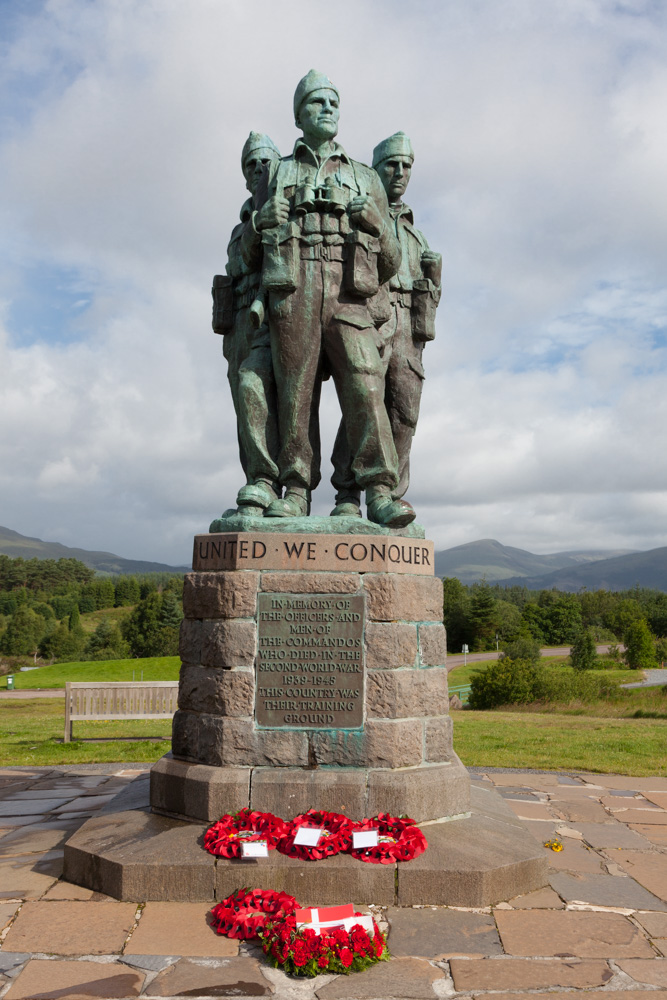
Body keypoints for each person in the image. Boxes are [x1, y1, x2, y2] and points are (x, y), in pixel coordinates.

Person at [251, 70, 414, 528]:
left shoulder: (365, 177)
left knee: (366, 384)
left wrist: (379, 226)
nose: (327, 109)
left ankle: (379, 489)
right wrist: (264, 220)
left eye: (333, 102)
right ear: (299, 114)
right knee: (295, 393)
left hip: (348, 294)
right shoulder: (278, 171)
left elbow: (393, 260)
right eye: (316, 102)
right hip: (295, 286)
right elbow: (250, 248)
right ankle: (296, 489)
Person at [330, 132, 442, 516]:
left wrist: (435, 280)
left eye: (406, 165)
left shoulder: (415, 234)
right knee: (364, 403)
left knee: (405, 413)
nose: (399, 172)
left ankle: (392, 495)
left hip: (409, 326)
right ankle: (347, 493)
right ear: (375, 170)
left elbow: (431, 294)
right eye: (391, 164)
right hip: (372, 316)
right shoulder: (358, 211)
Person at [212, 132, 282, 513]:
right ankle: (258, 484)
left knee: (279, 400)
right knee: (246, 403)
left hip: (278, 315)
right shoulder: (241, 226)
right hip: (240, 320)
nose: (258, 169)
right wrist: (257, 225)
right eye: (250, 164)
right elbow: (239, 264)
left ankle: (281, 484)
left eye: (265, 161)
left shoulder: (290, 209)